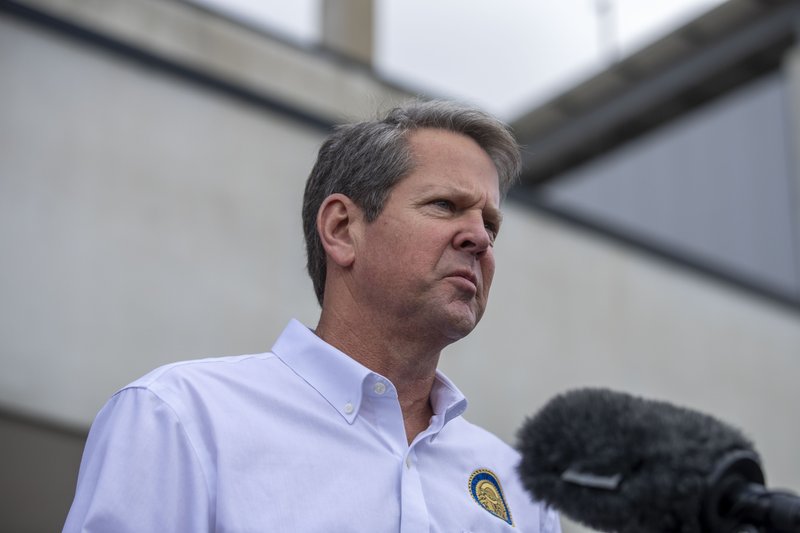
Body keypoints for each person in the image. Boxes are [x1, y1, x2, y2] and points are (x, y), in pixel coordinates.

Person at [63, 100, 561, 532]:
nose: (479, 239)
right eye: (445, 205)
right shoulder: (180, 419)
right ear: (343, 229)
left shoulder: (522, 490)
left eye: (490, 223)